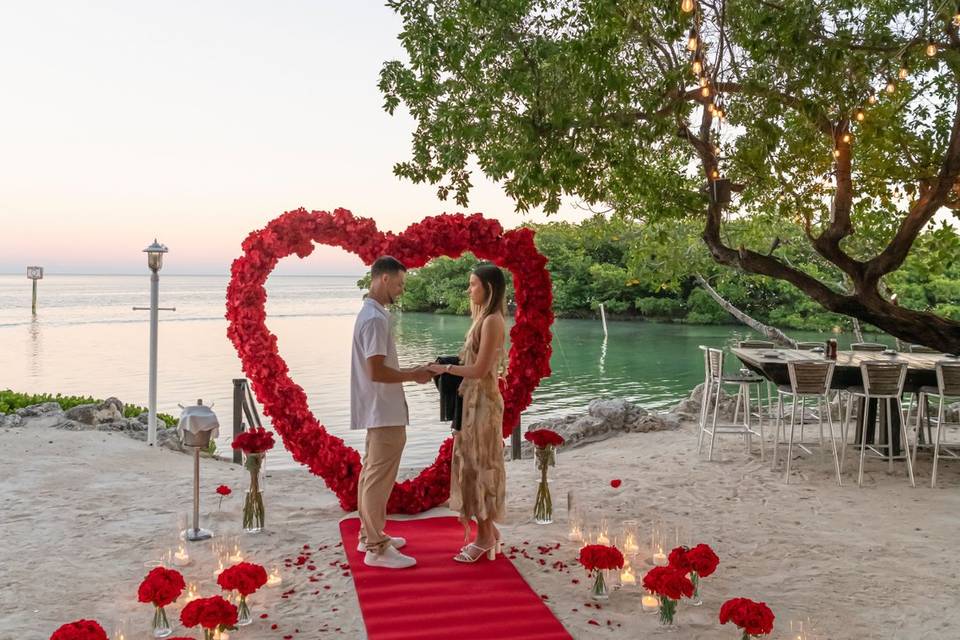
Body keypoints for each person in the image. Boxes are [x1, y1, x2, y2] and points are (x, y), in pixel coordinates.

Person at [352, 255, 432, 569]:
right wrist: (413, 373)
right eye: (399, 283)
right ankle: (376, 547)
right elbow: (376, 370)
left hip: (380, 409)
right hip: (382, 410)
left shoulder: (373, 313)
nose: (401, 289)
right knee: (377, 478)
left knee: (371, 473)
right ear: (384, 279)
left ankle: (367, 535)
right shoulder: (374, 319)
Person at [426, 263, 507, 563]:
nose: (469, 289)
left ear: (488, 287)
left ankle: (485, 537)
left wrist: (444, 368)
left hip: (483, 406)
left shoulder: (492, 322)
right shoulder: (483, 320)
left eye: (473, 284)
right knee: (470, 466)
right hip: (472, 402)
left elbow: (480, 369)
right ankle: (489, 533)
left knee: (480, 466)